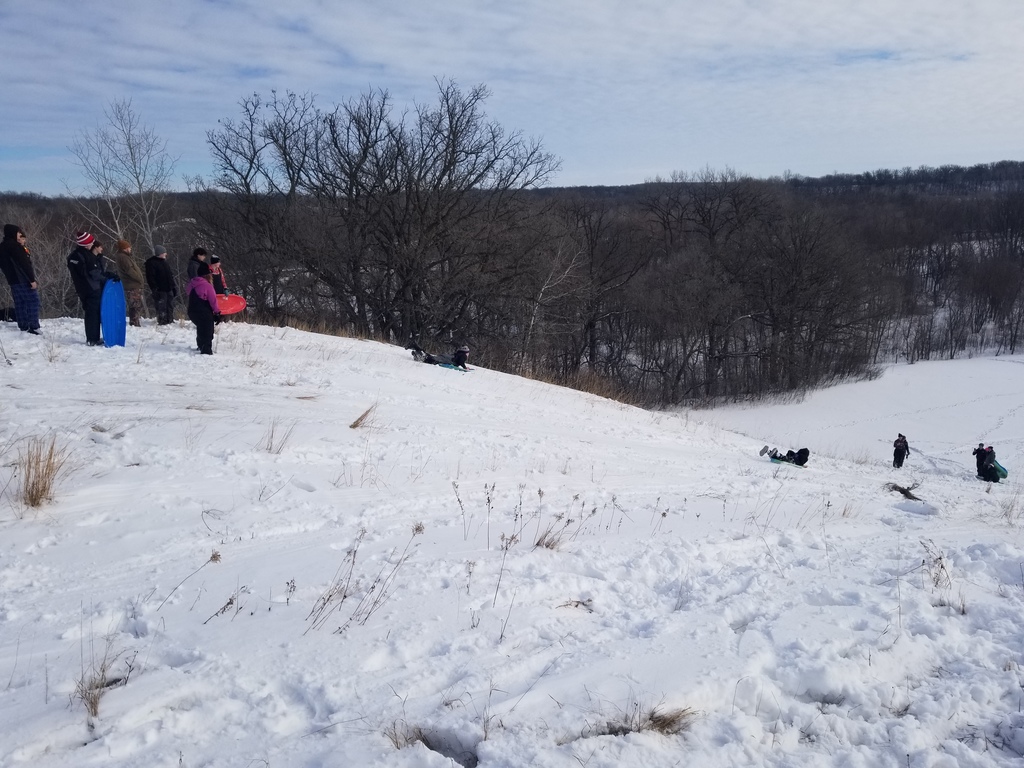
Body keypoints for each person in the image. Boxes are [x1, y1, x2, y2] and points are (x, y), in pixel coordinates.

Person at [66, 231, 115, 346]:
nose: (92, 243)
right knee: (93, 314)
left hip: (81, 289)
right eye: (91, 242)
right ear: (86, 244)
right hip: (92, 288)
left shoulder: (73, 256)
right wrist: (106, 278)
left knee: (90, 312)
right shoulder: (87, 256)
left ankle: (92, 337)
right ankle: (93, 339)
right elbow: (94, 273)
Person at [0, 224, 40, 334]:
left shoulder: (2, 246)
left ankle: (23, 326)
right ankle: (33, 326)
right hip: (22, 279)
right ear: (13, 233)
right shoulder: (15, 247)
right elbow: (24, 264)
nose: (20, 235)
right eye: (18, 232)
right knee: (33, 301)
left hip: (12, 280)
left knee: (20, 303)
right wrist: (31, 279)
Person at [187, 261, 221, 354]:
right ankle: (206, 350)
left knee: (201, 327)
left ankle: (200, 345)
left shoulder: (192, 283)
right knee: (208, 329)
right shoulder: (207, 286)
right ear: (207, 274)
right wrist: (217, 313)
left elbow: (188, 293)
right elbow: (213, 301)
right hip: (203, 311)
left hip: (192, 311)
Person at [114, 239, 145, 327]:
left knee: (135, 304)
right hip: (132, 284)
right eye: (128, 247)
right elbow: (129, 270)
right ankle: (134, 323)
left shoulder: (124, 257)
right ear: (125, 248)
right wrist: (139, 278)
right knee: (135, 305)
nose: (130, 248)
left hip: (132, 284)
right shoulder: (123, 257)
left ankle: (135, 322)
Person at [145, 245, 176, 325]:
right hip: (160, 289)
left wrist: (173, 286)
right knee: (161, 306)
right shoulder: (151, 263)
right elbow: (150, 277)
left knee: (170, 304)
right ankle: (162, 321)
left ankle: (170, 319)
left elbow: (170, 275)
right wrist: (154, 288)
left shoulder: (164, 262)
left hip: (168, 288)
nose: (166, 254)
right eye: (164, 252)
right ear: (160, 253)